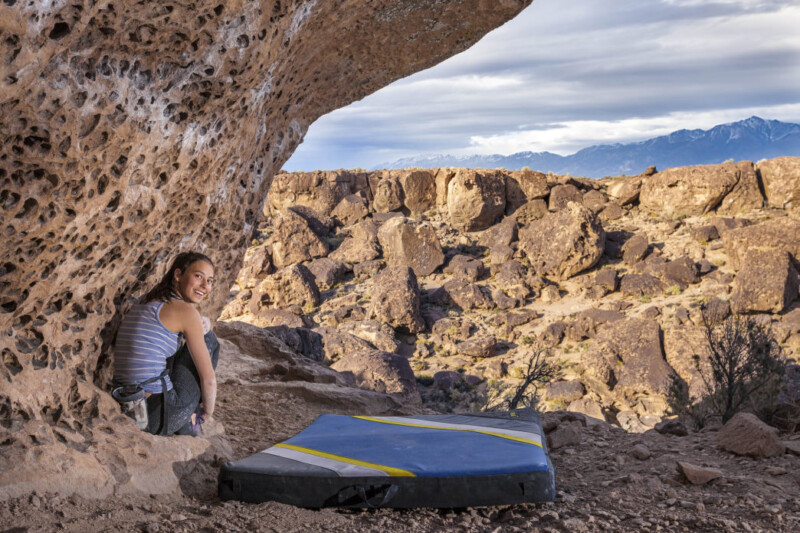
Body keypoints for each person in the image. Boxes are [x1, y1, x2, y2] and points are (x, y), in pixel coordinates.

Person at [113, 252, 220, 436]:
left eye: (209, 280)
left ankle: (183, 419)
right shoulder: (185, 312)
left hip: (130, 407)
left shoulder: (147, 300)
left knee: (189, 344)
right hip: (153, 417)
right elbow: (208, 380)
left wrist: (203, 324)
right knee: (209, 340)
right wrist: (206, 413)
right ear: (178, 275)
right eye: (198, 276)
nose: (205, 286)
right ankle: (191, 423)